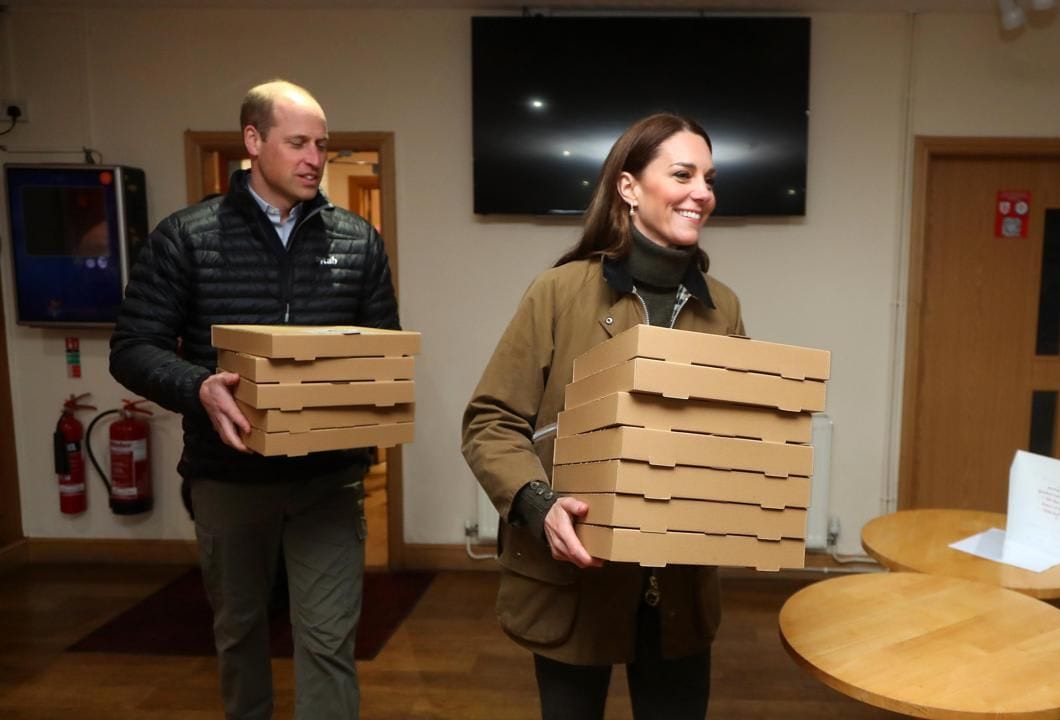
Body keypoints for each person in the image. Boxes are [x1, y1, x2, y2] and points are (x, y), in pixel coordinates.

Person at [110, 79, 399, 720]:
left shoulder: (357, 241)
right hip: (228, 475)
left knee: (328, 641)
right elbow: (132, 347)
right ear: (252, 141)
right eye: (297, 142)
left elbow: (381, 351)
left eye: (322, 145)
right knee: (240, 632)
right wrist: (197, 385)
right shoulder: (186, 236)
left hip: (329, 476)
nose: (314, 158)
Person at [462, 113, 743, 720]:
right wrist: (539, 505)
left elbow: (734, 439)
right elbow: (490, 421)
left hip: (679, 593)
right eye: (682, 174)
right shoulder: (558, 292)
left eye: (710, 179)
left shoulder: (725, 309)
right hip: (572, 585)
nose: (703, 192)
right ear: (628, 187)